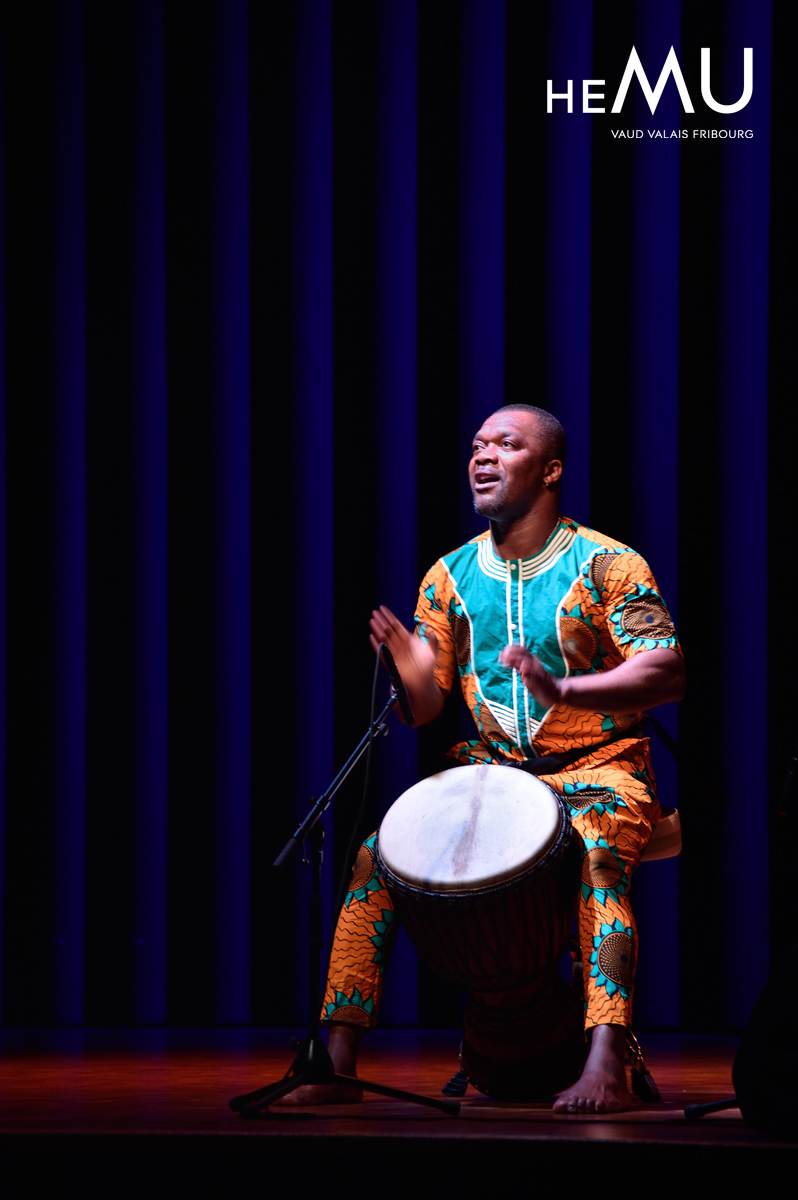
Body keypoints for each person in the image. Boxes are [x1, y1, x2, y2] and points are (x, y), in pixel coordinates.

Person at [283, 404, 685, 1114]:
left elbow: (666, 671)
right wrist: (412, 672)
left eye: (506, 444)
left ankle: (606, 1061)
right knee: (375, 859)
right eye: (477, 445)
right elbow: (424, 708)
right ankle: (336, 1061)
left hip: (601, 770)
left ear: (550, 470)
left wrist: (565, 688)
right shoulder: (448, 576)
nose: (483, 455)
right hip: (495, 776)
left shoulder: (609, 563)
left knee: (597, 858)